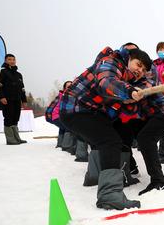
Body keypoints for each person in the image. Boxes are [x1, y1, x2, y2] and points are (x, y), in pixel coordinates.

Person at [60, 47, 152, 210]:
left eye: (144, 70)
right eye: (138, 65)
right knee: (110, 141)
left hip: (93, 112)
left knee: (116, 136)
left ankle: (96, 178)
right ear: (129, 58)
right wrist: (129, 91)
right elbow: (106, 82)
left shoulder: (126, 79)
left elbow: (118, 104)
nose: (140, 70)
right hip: (76, 109)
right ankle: (109, 195)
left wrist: (130, 101)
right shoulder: (111, 62)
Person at [0, 54, 28, 145]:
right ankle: (10, 139)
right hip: (7, 99)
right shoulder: (1, 71)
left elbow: (22, 88)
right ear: (5, 60)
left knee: (16, 117)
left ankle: (16, 138)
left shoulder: (18, 74)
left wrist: (24, 100)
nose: (12, 61)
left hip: (17, 99)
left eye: (13, 59)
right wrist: (1, 97)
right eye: (9, 59)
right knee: (8, 117)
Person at [45, 80, 73, 148]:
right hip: (56, 116)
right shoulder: (65, 95)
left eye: (71, 86)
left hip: (57, 116)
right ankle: (66, 146)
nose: (70, 87)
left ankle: (60, 143)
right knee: (69, 127)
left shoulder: (63, 94)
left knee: (63, 127)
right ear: (64, 88)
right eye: (68, 86)